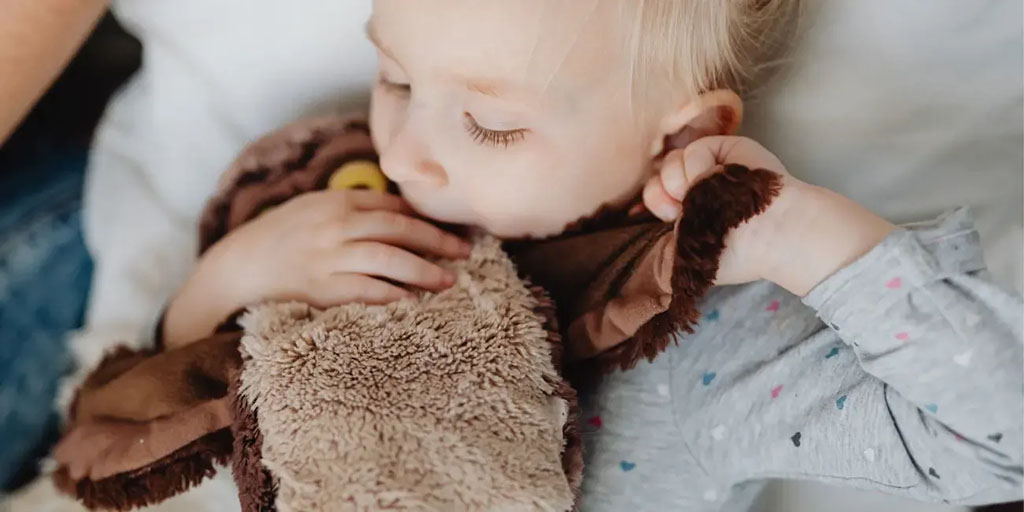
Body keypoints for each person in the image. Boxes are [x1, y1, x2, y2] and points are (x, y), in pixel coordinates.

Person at [155, 1, 1022, 511]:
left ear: (680, 135)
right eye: (398, 80)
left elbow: (1000, 441)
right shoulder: (335, 192)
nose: (407, 153)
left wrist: (814, 240)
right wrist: (226, 277)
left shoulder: (700, 344)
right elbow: (162, 424)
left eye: (492, 123)